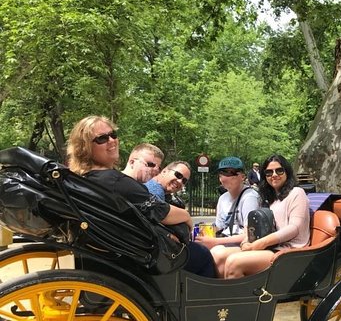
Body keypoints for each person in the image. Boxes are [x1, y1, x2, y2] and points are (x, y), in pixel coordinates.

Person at [66, 115, 215, 277]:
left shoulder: (86, 179)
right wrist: (186, 216)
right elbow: (161, 212)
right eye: (102, 138)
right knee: (203, 255)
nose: (111, 141)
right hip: (137, 259)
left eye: (113, 135)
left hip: (111, 254)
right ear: (85, 147)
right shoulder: (114, 181)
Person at [211, 154, 310, 278]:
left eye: (279, 170)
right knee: (217, 254)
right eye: (269, 172)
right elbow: (255, 225)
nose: (274, 175)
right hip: (269, 248)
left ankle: (236, 296)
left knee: (233, 262)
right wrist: (247, 241)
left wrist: (261, 243)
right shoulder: (269, 198)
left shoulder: (297, 193)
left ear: (287, 172)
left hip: (288, 252)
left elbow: (294, 228)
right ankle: (222, 294)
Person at [195, 157, 260, 249]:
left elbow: (249, 235)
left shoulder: (250, 197)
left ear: (242, 177)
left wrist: (216, 242)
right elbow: (219, 227)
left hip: (243, 245)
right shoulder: (223, 198)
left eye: (230, 173)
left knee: (217, 253)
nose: (225, 177)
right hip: (224, 241)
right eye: (222, 173)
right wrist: (201, 233)